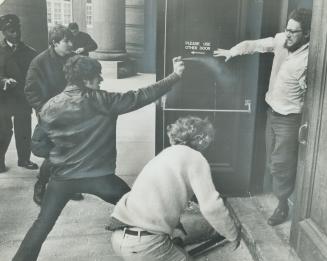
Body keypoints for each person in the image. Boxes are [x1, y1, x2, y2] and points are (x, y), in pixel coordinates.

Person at [12, 54, 185, 261]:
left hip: (62, 179)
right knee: (140, 206)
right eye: (97, 76)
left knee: (42, 225)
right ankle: (176, 237)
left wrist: (60, 153)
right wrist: (175, 76)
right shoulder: (104, 101)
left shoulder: (49, 106)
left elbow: (38, 148)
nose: (101, 80)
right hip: (101, 179)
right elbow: (141, 95)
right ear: (85, 80)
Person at [214, 8, 312, 226]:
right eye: (287, 29)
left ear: (307, 34)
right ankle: (282, 195)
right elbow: (255, 45)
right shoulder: (281, 41)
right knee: (272, 159)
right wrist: (233, 51)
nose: (287, 35)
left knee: (281, 163)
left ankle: (282, 204)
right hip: (272, 112)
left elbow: (313, 95)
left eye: (294, 32)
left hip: (290, 118)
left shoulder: (310, 59)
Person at [108, 116, 240, 261]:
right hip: (144, 246)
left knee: (198, 231)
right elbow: (211, 207)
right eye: (210, 138)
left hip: (119, 237)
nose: (210, 143)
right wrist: (232, 234)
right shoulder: (195, 158)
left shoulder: (166, 154)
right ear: (201, 138)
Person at [24, 24, 83, 204]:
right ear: (55, 42)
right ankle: (41, 185)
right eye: (66, 41)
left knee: (73, 151)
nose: (71, 44)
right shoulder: (39, 62)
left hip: (72, 113)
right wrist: (45, 111)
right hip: (51, 115)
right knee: (54, 153)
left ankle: (68, 186)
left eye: (71, 40)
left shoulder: (74, 59)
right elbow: (31, 91)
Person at [0, 14, 38, 173]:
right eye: (11, 31)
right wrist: (3, 80)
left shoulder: (30, 52)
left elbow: (35, 76)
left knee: (24, 130)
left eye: (18, 30)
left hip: (22, 98)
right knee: (3, 130)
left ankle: (24, 159)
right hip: (3, 98)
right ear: (3, 32)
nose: (15, 34)